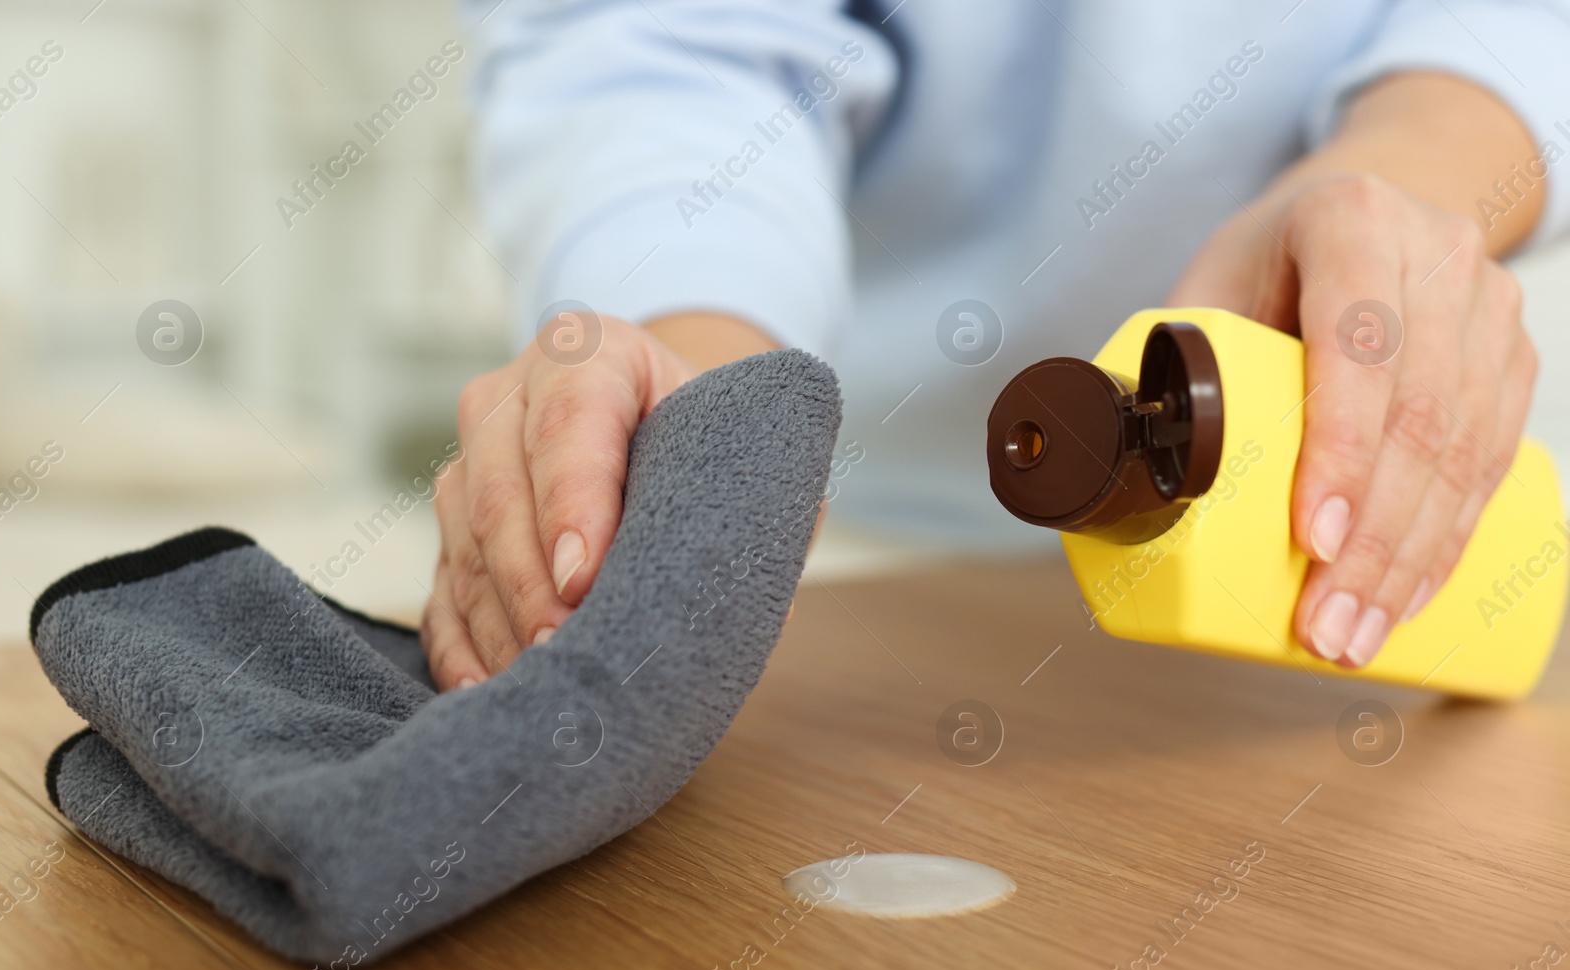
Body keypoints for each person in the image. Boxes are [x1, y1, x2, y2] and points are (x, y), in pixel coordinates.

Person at [420, 0, 1569, 690]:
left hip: (1323, 549)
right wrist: (709, 397)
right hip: (848, 531)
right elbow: (668, 43)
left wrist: (1410, 179)